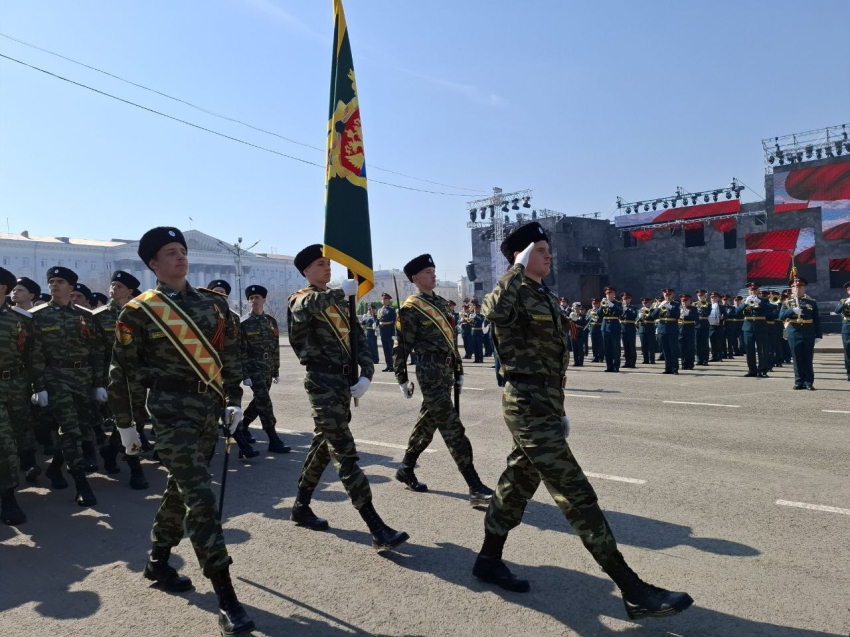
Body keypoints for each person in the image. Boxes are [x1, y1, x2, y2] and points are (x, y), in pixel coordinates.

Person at [472, 221, 692, 620]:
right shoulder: (511, 291)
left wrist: (560, 409)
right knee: (576, 495)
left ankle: (488, 559)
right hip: (525, 404)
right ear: (521, 257)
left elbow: (554, 357)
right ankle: (632, 588)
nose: (548, 256)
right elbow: (493, 312)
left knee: (516, 484)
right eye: (540, 250)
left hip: (545, 403)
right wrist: (514, 269)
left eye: (547, 250)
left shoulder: (543, 293)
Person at [108, 227, 255, 636]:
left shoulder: (214, 305)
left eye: (183, 251)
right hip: (171, 416)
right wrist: (126, 424)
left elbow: (230, 354)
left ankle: (157, 562)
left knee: (180, 490)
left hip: (209, 410)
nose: (180, 257)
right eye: (170, 253)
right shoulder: (138, 311)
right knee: (201, 499)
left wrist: (233, 399)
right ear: (153, 264)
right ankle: (227, 599)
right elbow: (124, 373)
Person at [287, 244, 408, 551]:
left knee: (323, 446)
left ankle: (300, 507)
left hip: (343, 381)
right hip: (321, 382)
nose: (327, 267)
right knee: (344, 451)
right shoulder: (301, 299)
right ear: (305, 271)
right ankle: (376, 526)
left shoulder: (341, 302)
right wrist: (343, 292)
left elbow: (359, 340)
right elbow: (309, 306)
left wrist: (366, 373)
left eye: (328, 262)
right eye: (319, 263)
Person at [393, 253, 494, 506]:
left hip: (446, 370)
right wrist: (402, 377)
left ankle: (405, 468)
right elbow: (401, 346)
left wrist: (458, 370)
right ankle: (474, 485)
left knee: (427, 424)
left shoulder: (439, 303)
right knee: (452, 428)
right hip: (428, 371)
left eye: (433, 270)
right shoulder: (410, 308)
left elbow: (451, 341)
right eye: (427, 272)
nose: (433, 275)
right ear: (415, 279)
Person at [30, 266, 105, 506]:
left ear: (71, 287)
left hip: (82, 378)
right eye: (51, 281)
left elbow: (96, 351)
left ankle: (55, 469)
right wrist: (38, 386)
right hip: (56, 378)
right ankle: (81, 484)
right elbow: (35, 354)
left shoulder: (85, 316)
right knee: (70, 430)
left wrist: (98, 383)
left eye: (60, 281)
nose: (54, 285)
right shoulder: (38, 315)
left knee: (82, 429)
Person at [91, 270, 149, 490]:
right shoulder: (99, 316)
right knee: (124, 421)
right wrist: (97, 383)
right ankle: (135, 468)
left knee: (139, 419)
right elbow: (96, 353)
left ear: (130, 292)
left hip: (136, 378)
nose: (114, 289)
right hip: (112, 379)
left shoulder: (139, 315)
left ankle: (110, 449)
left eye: (119, 286)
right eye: (112, 285)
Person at [207, 279, 258, 459]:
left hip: (230, 369)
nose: (220, 295)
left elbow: (240, 346)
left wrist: (243, 371)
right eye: (216, 291)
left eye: (223, 292)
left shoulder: (234, 317)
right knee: (214, 411)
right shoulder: (203, 316)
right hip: (208, 372)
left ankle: (243, 445)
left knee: (231, 408)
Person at [240, 284, 290, 454]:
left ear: (264, 300)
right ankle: (273, 438)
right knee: (265, 402)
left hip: (267, 367)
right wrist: (245, 374)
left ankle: (242, 426)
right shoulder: (244, 323)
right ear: (248, 302)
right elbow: (242, 350)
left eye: (257, 298)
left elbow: (275, 347)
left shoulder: (270, 321)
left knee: (260, 400)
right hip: (253, 368)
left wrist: (276, 370)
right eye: (251, 298)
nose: (254, 300)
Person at [0, 267, 31, 525]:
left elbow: (32, 355)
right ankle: (8, 497)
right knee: (5, 444)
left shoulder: (20, 319)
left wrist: (38, 387)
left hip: (15, 386)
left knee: (16, 439)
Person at [8, 276, 40, 482]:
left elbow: (33, 352)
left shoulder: (30, 318)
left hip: (20, 378)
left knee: (24, 420)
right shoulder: (11, 316)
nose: (15, 293)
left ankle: (28, 460)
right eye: (14, 289)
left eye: (20, 290)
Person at [779, 277, 822, 390]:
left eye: (799, 287)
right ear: (791, 289)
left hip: (808, 333)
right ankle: (799, 381)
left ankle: (808, 382)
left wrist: (818, 335)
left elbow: (816, 319)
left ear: (804, 288)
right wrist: (792, 311)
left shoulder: (811, 302)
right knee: (797, 358)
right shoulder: (787, 303)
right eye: (794, 287)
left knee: (808, 358)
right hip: (794, 333)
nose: (797, 289)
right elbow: (781, 316)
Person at [741, 282, 773, 378]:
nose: (753, 291)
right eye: (751, 290)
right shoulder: (744, 300)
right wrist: (745, 304)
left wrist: (760, 302)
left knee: (762, 350)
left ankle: (763, 370)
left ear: (758, 290)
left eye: (755, 290)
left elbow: (770, 310)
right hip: (748, 328)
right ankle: (752, 370)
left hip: (760, 327)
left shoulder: (764, 300)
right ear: (748, 291)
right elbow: (737, 312)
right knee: (749, 350)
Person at [652, 288, 680, 375]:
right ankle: (668, 368)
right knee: (665, 350)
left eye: (669, 295)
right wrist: (659, 307)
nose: (667, 296)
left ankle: (675, 368)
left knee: (673, 349)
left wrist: (670, 307)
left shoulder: (676, 305)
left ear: (672, 295)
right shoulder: (660, 304)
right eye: (665, 295)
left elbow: (677, 315)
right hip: (662, 329)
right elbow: (653, 316)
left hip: (672, 329)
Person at [599, 287, 622, 372]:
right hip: (605, 327)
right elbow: (599, 314)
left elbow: (620, 313)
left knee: (616, 348)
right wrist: (602, 305)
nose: (608, 295)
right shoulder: (604, 303)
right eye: (607, 294)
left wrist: (612, 305)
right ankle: (609, 366)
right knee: (607, 348)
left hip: (614, 327)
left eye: (610, 293)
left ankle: (616, 366)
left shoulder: (618, 303)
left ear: (614, 294)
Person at [678, 295, 697, 370]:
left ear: (689, 301)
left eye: (686, 301)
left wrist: (687, 314)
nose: (684, 302)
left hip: (689, 330)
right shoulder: (679, 308)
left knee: (690, 348)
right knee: (682, 348)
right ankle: (683, 364)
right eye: (683, 301)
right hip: (680, 330)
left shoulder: (693, 309)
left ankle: (690, 364)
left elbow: (696, 318)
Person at [377, 293, 396, 372]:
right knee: (385, 350)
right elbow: (379, 320)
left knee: (391, 350)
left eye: (385, 299)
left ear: (388, 301)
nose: (384, 301)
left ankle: (392, 366)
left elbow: (394, 322)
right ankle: (388, 365)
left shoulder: (392, 310)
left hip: (389, 332)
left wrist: (393, 334)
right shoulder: (380, 310)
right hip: (383, 332)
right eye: (383, 299)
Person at [620, 292, 638, 368]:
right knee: (625, 346)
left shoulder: (633, 308)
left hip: (630, 328)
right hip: (623, 328)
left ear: (630, 299)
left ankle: (632, 362)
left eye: (627, 299)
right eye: (624, 299)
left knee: (631, 346)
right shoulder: (621, 307)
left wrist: (627, 310)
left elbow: (634, 316)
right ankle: (627, 362)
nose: (625, 300)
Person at [707, 292, 726, 362]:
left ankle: (720, 356)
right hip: (711, 326)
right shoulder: (708, 306)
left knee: (719, 342)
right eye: (712, 298)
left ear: (718, 298)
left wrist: (723, 317)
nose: (713, 299)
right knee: (712, 342)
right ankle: (713, 356)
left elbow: (726, 315)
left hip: (719, 326)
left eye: (715, 297)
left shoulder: (721, 306)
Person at [837, 281, 850, 382]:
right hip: (847, 327)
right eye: (849, 289)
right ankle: (849, 371)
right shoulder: (843, 301)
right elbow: (837, 310)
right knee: (848, 350)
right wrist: (845, 304)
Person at [637, 298, 656, 364]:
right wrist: (639, 316)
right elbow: (637, 319)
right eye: (643, 303)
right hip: (642, 329)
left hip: (650, 328)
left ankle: (652, 359)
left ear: (650, 303)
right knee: (644, 345)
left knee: (651, 345)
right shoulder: (640, 310)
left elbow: (654, 317)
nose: (644, 304)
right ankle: (646, 359)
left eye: (646, 303)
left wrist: (649, 311)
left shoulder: (653, 310)